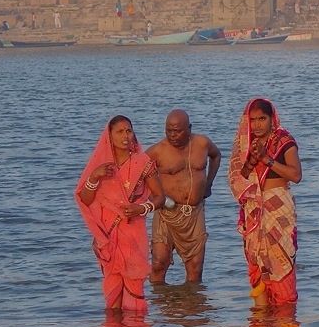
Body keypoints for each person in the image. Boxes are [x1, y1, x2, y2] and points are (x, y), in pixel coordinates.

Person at [75, 115, 164, 313]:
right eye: (120, 131)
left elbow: (160, 197)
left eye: (129, 131)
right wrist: (94, 177)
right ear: (109, 136)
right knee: (113, 297)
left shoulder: (143, 163)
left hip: (133, 233)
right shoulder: (101, 167)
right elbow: (85, 199)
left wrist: (141, 208)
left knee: (134, 290)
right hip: (108, 236)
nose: (126, 136)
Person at [229, 99, 302, 308]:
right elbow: (239, 179)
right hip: (254, 209)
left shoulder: (284, 140)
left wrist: (267, 159)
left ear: (272, 119)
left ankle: (285, 318)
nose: (258, 124)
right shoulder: (245, 144)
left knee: (281, 258)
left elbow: (296, 175)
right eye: (253, 120)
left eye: (262, 119)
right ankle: (260, 325)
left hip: (278, 206)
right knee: (258, 265)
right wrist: (252, 159)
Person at [148, 109, 222, 285]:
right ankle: (159, 306)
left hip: (194, 213)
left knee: (195, 267)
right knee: (159, 262)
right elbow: (135, 173)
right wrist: (153, 194)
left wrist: (209, 183)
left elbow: (216, 155)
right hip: (166, 213)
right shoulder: (157, 151)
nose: (172, 135)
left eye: (177, 131)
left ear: (189, 128)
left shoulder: (202, 143)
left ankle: (193, 308)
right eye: (169, 130)